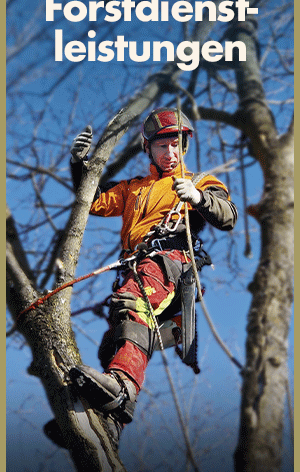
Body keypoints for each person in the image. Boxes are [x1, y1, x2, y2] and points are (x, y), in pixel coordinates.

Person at [69, 109, 238, 446]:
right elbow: (95, 201)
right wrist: (79, 166)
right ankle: (110, 422)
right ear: (149, 149)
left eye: (176, 145)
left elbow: (227, 215)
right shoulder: (134, 188)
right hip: (137, 265)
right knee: (114, 340)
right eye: (162, 146)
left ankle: (123, 386)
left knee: (134, 302)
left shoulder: (199, 181)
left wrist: (198, 197)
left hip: (170, 261)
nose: (170, 153)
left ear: (184, 146)